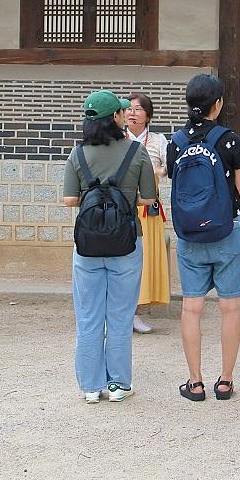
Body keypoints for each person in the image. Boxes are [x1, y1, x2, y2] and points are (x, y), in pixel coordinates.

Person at [62, 90, 157, 404]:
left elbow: (69, 200)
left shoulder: (77, 154)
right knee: (120, 316)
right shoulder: (136, 152)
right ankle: (118, 384)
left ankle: (91, 386)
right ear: (115, 117)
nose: (125, 115)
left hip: (88, 245)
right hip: (126, 242)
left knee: (88, 317)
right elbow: (148, 198)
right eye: (121, 111)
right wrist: (123, 197)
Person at [165, 74, 240, 402]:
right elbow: (239, 188)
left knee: (192, 308)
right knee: (230, 307)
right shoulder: (229, 140)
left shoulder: (176, 142)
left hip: (190, 234)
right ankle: (225, 381)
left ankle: (195, 383)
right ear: (218, 104)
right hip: (226, 229)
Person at [125, 92, 169, 335]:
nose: (132, 113)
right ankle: (122, 312)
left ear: (148, 115)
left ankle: (136, 311)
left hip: (148, 206)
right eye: (129, 109)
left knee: (144, 260)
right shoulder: (117, 138)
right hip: (124, 205)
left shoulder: (158, 140)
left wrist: (158, 171)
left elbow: (168, 167)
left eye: (138, 109)